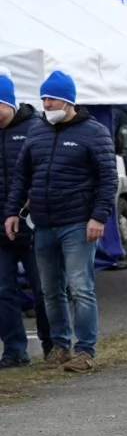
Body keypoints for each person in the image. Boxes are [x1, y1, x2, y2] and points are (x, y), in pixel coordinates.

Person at [3, 70, 116, 373]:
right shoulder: (37, 132)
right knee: (49, 291)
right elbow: (22, 176)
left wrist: (98, 217)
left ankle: (85, 350)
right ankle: (60, 347)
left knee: (80, 288)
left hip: (78, 223)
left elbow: (108, 179)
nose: (46, 104)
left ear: (68, 100)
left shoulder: (94, 133)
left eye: (52, 98)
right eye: (43, 98)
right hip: (43, 224)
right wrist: (12, 212)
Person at [0, 76, 44, 367]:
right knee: (3, 291)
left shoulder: (34, 129)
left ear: (8, 103)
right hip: (0, 228)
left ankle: (52, 346)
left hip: (31, 227)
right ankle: (14, 350)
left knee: (43, 290)